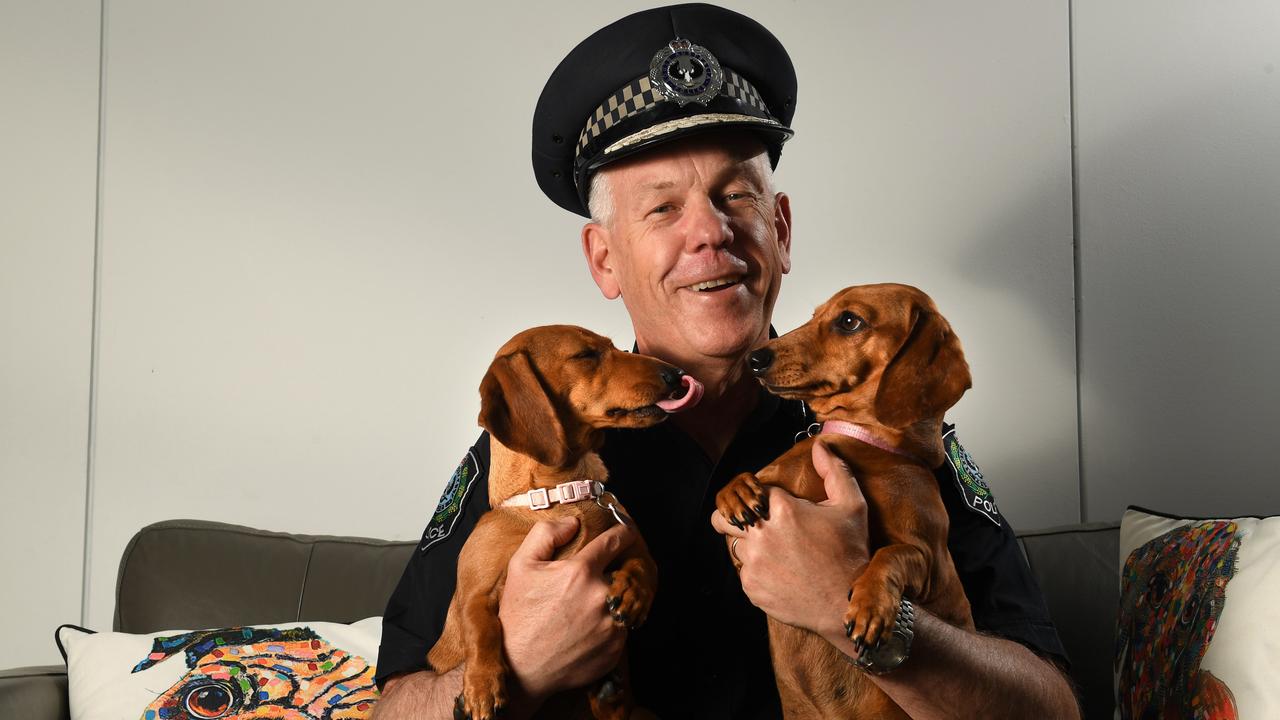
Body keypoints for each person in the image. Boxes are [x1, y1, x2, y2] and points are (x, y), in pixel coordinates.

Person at [374, 5, 1081, 719]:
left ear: (779, 230)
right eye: (661, 210)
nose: (710, 232)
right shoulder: (545, 450)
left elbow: (1051, 707)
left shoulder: (887, 426)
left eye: (735, 195)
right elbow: (394, 706)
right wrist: (520, 663)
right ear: (604, 259)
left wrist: (858, 611)